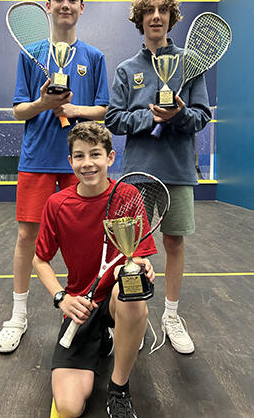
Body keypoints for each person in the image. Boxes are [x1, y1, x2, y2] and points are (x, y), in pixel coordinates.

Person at [0, 0, 110, 353]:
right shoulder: (31, 55)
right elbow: (18, 111)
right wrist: (43, 104)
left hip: (81, 163)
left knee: (90, 239)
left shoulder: (94, 57)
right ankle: (18, 316)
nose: (65, 4)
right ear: (48, 6)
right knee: (28, 237)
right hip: (37, 160)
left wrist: (74, 109)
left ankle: (94, 314)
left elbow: (104, 110)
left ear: (81, 6)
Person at [105, 0, 211, 355]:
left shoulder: (191, 64)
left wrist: (179, 115)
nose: (155, 16)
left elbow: (202, 116)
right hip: (137, 173)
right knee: (129, 250)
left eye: (162, 10)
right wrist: (146, 116)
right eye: (148, 11)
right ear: (139, 18)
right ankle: (127, 314)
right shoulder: (125, 70)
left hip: (178, 170)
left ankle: (171, 315)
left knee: (174, 243)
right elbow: (114, 120)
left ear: (171, 17)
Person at [33, 121, 157, 418]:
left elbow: (139, 255)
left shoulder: (127, 196)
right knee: (68, 407)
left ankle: (119, 388)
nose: (87, 163)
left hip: (115, 300)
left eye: (95, 154)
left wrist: (142, 267)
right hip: (80, 305)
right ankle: (104, 339)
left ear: (110, 158)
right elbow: (40, 260)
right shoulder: (57, 204)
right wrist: (61, 297)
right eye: (79, 156)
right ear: (70, 161)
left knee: (133, 294)